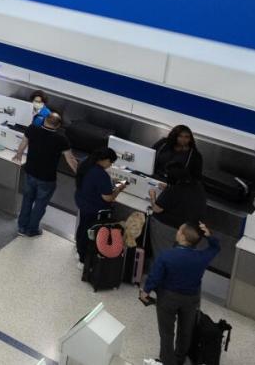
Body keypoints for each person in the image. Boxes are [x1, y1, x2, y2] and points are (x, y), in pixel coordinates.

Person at [139, 222, 221, 365]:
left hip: (167, 297)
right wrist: (209, 236)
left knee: (166, 332)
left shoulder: (166, 256)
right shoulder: (201, 257)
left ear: (183, 237)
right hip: (190, 299)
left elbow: (155, 277)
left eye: (179, 230)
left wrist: (145, 291)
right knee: (185, 330)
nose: (177, 232)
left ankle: (167, 361)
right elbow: (215, 248)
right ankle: (179, 358)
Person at [12, 112, 78, 237]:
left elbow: (23, 143)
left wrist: (19, 154)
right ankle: (31, 230)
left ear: (44, 120)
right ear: (58, 125)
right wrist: (80, 175)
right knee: (40, 205)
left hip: (30, 172)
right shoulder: (61, 139)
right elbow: (71, 160)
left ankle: (21, 227)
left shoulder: (32, 129)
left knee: (27, 200)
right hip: (47, 179)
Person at [74, 147, 129, 265]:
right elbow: (108, 197)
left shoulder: (85, 162)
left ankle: (79, 250)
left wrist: (109, 182)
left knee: (83, 227)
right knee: (90, 231)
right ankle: (83, 259)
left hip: (82, 201)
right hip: (94, 207)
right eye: (111, 162)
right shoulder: (100, 174)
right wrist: (119, 189)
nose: (110, 165)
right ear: (105, 160)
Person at [148, 165, 209, 258]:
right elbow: (183, 197)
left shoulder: (174, 188)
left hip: (169, 228)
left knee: (163, 256)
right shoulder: (198, 186)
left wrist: (152, 196)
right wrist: (167, 189)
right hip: (192, 231)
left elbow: (157, 208)